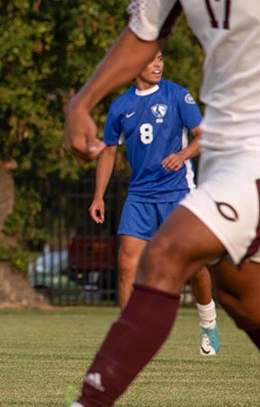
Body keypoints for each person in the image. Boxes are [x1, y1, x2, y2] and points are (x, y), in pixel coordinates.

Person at [64, 0, 260, 404]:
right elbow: (144, 36)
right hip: (228, 149)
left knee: (167, 253)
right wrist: (83, 101)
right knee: (237, 294)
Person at [89, 50, 219, 354]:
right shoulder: (121, 106)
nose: (158, 64)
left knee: (194, 266)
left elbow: (203, 136)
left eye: (160, 58)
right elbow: (109, 151)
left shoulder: (177, 95)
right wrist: (98, 196)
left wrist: (183, 155)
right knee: (126, 263)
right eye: (152, 60)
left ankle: (208, 322)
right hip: (139, 195)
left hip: (177, 192)